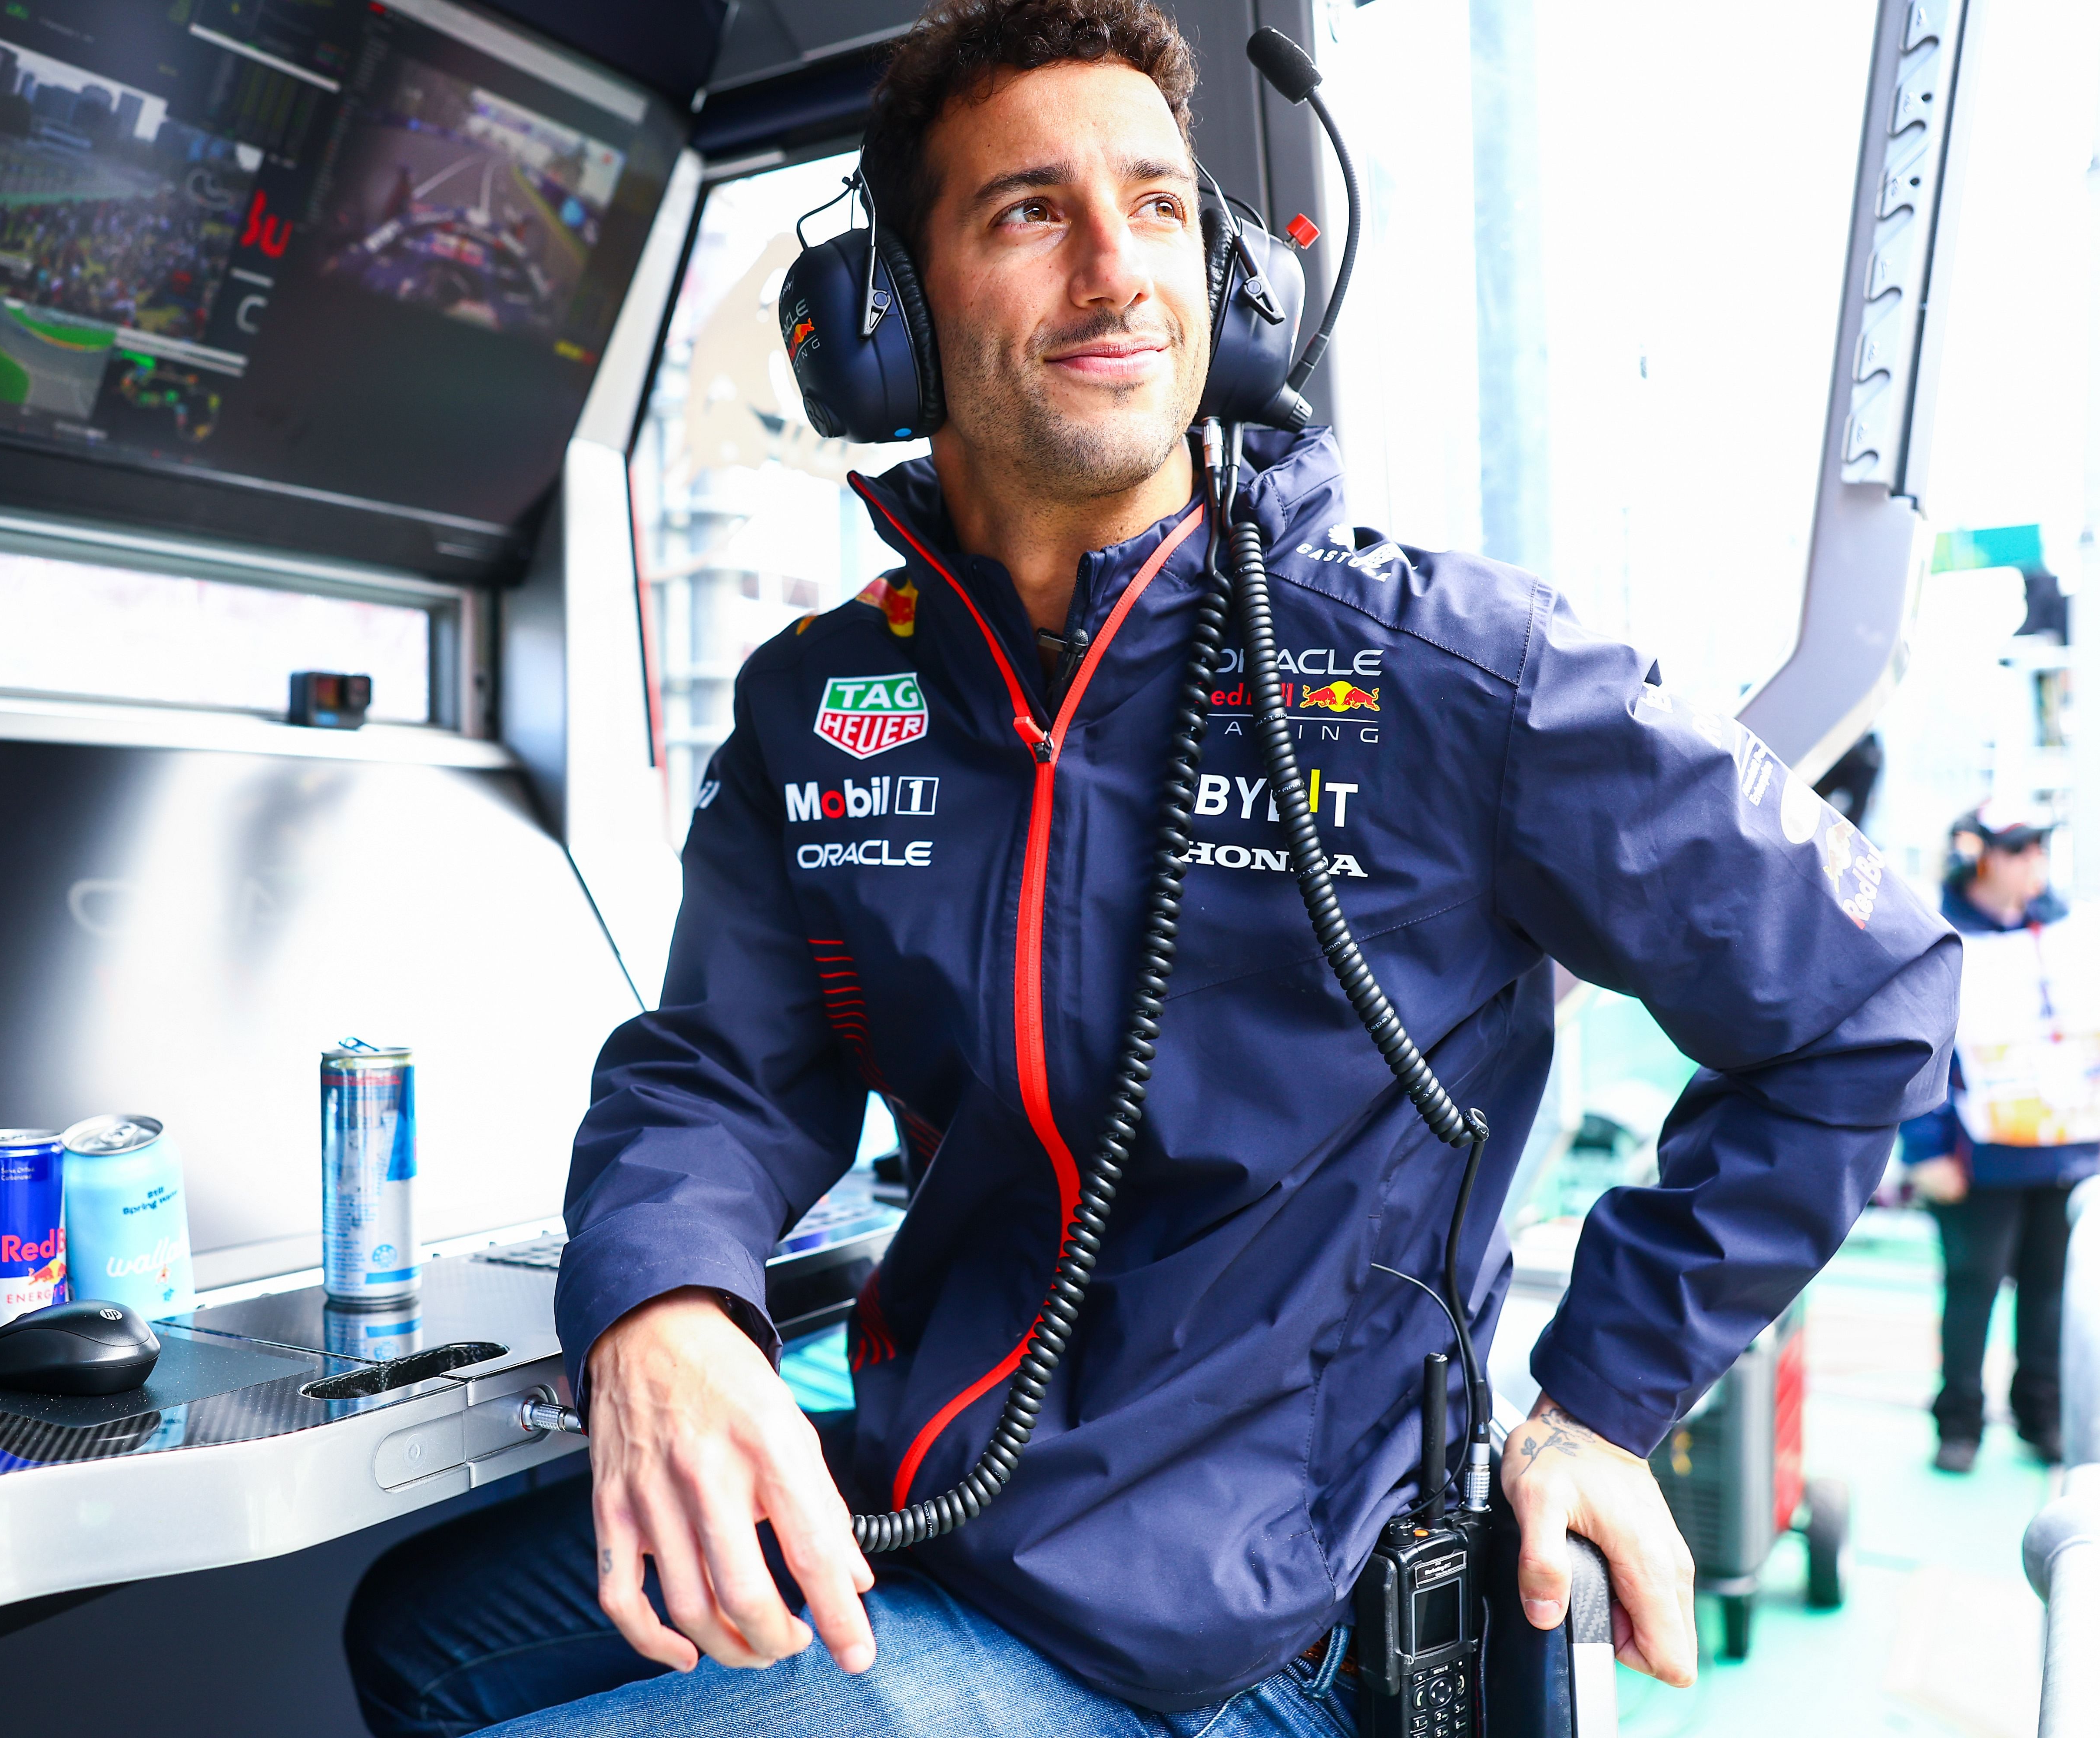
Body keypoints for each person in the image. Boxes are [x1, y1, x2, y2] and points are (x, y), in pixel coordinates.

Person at [344, 2, 1959, 1731]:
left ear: (1234, 282)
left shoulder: (1448, 672)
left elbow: (1863, 1001)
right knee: (421, 1637)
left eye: (1162, 208)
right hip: (956, 1490)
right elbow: (723, 1072)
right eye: (1030, 212)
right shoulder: (825, 699)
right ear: (879, 318)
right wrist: (659, 1299)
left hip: (1238, 1618)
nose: (1118, 271)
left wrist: (1602, 1397)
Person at [1902, 803, 2099, 1473]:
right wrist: (1925, 1150)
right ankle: (1958, 1422)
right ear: (1980, 858)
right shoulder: (1937, 934)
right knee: (1971, 1287)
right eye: (2019, 850)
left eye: (2039, 848)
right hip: (1975, 1156)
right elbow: (1917, 1047)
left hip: (2064, 1148)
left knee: (2048, 1290)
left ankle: (2038, 1412)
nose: (2034, 863)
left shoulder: (2069, 931)